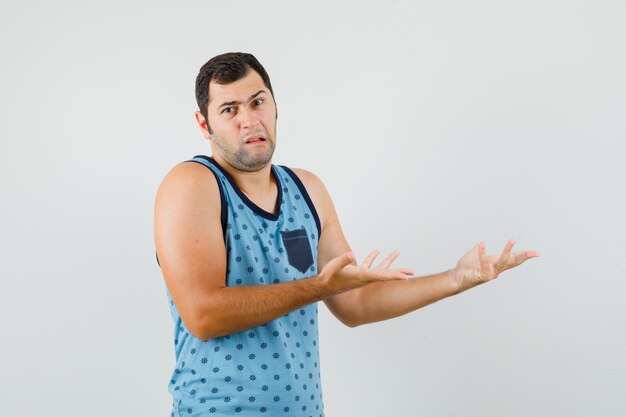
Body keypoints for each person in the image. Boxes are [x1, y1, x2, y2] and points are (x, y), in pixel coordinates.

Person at [153, 52, 540, 417]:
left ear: (275, 106)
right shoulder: (191, 185)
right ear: (204, 124)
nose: (249, 120)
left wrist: (455, 279)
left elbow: (353, 302)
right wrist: (318, 287)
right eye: (229, 110)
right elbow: (203, 314)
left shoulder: (306, 189)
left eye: (258, 102)